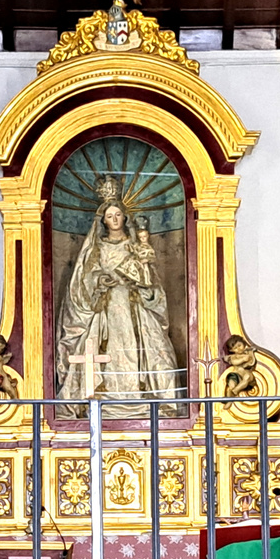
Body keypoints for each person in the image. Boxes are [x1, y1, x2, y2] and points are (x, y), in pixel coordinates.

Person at [54, 176, 180, 416]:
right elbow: (83, 277)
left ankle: (141, 395)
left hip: (134, 306)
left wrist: (141, 273)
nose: (114, 220)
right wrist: (100, 279)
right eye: (109, 216)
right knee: (101, 351)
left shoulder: (135, 245)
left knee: (149, 352)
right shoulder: (97, 247)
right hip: (105, 309)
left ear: (125, 217)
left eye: (118, 215)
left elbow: (151, 281)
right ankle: (104, 395)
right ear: (102, 220)